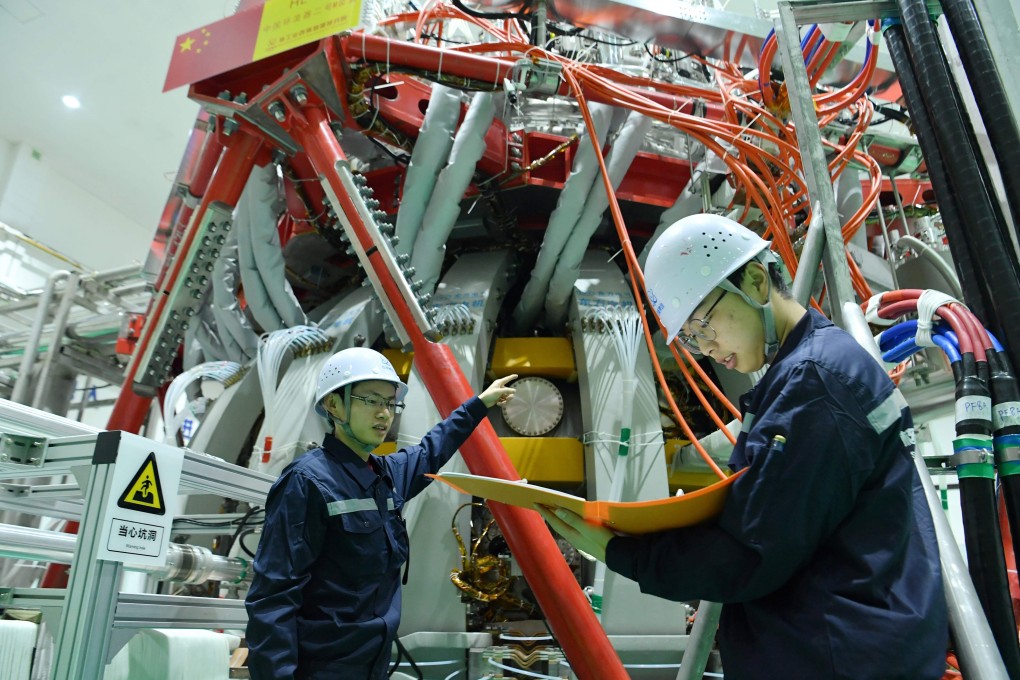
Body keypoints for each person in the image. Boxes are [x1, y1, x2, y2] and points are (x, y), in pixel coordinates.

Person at [538, 213, 948, 679]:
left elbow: (752, 554)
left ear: (755, 279)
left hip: (837, 654)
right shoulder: (808, 371)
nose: (706, 347)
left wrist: (619, 551)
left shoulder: (814, 382)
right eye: (690, 340)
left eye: (702, 324)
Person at [245, 346, 517, 679]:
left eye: (390, 403)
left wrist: (480, 404)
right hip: (322, 668)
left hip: (373, 663)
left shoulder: (385, 476)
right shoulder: (306, 482)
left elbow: (433, 448)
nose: (384, 414)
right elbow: (274, 597)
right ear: (333, 405)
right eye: (372, 400)